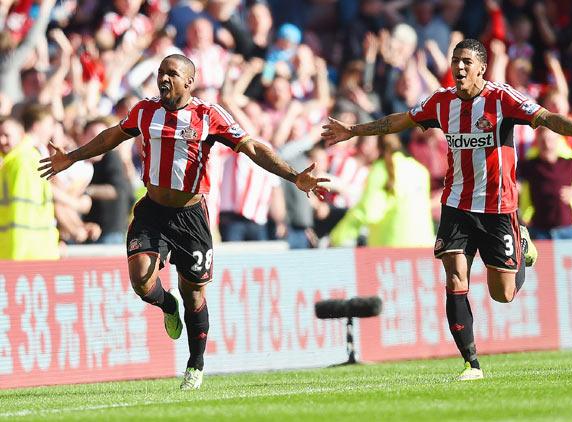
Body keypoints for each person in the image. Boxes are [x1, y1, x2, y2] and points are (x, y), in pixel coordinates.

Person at [322, 38, 572, 381]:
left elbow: (549, 120)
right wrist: (353, 130)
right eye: (456, 61)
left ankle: (521, 244)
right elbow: (399, 121)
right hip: (456, 205)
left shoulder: (502, 99)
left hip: (499, 208)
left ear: (481, 67)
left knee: (504, 295)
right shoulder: (441, 102)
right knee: (455, 277)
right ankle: (472, 363)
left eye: (467, 62)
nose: (459, 67)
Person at [38, 54, 329, 390]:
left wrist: (294, 177)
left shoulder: (209, 115)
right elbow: (111, 137)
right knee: (142, 282)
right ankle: (166, 303)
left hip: (191, 217)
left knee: (195, 295)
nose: (164, 78)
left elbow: (251, 148)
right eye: (161, 72)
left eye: (172, 74)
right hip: (152, 211)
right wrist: (71, 157)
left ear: (190, 81)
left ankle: (195, 364)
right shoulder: (145, 111)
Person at [329, 133, 434, 247]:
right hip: (424, 248)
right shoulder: (420, 169)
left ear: (377, 146)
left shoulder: (381, 169)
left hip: (391, 249)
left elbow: (368, 211)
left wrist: (337, 237)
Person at [0, 116, 59, 260]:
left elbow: (22, 214)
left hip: (24, 253)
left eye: (7, 135)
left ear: (21, 135)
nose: (2, 140)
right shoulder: (13, 161)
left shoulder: (22, 161)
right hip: (30, 251)